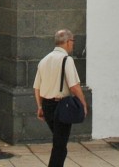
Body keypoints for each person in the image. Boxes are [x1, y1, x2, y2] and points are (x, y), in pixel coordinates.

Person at [33, 29, 88, 167]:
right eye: (73, 41)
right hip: (61, 106)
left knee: (59, 142)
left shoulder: (44, 60)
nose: (73, 45)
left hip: (47, 104)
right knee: (60, 146)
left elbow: (37, 87)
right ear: (68, 42)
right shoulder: (66, 60)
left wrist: (40, 107)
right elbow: (74, 86)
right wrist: (83, 104)